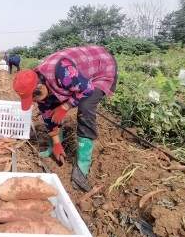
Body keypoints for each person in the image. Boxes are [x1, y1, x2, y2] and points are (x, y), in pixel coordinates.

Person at [12, 46, 117, 191]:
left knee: (85, 107)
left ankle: (82, 164)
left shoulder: (62, 72)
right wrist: (56, 143)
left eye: (35, 97)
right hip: (78, 76)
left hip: (101, 68)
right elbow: (47, 114)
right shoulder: (39, 85)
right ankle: (55, 145)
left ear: (41, 87)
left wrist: (65, 106)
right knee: (50, 103)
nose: (36, 102)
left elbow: (87, 89)